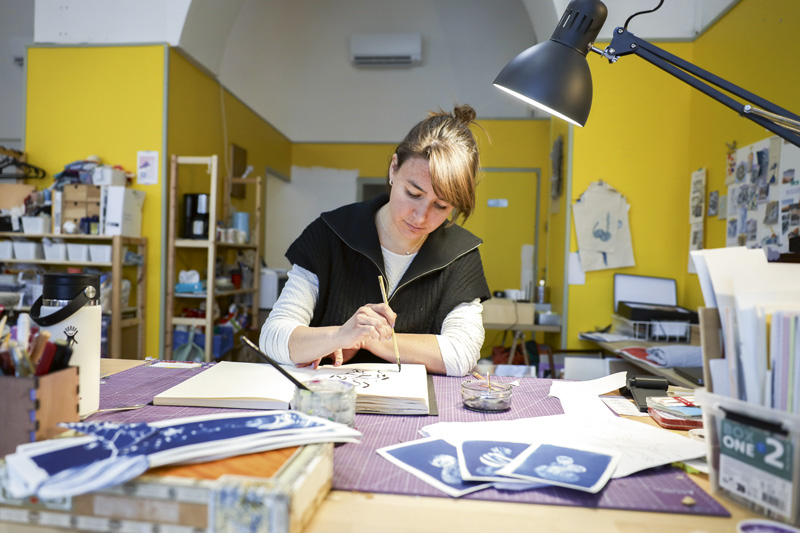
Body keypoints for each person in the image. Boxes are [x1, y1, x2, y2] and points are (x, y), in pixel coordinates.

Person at [259, 104, 490, 376]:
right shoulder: (330, 234)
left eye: (440, 206)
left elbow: (461, 354)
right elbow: (273, 338)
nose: (420, 216)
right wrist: (339, 336)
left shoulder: (460, 255)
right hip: (329, 405)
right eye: (413, 193)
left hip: (415, 414)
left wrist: (368, 338)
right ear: (394, 169)